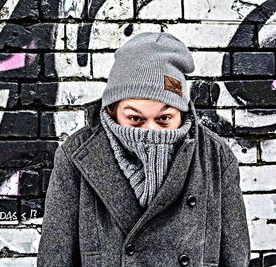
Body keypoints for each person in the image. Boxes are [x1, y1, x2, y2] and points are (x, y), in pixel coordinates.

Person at [37, 32, 250, 266]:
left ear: (183, 112)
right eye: (135, 119)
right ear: (112, 110)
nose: (151, 132)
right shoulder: (76, 156)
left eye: (164, 118)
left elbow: (235, 257)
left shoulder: (216, 157)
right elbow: (54, 257)